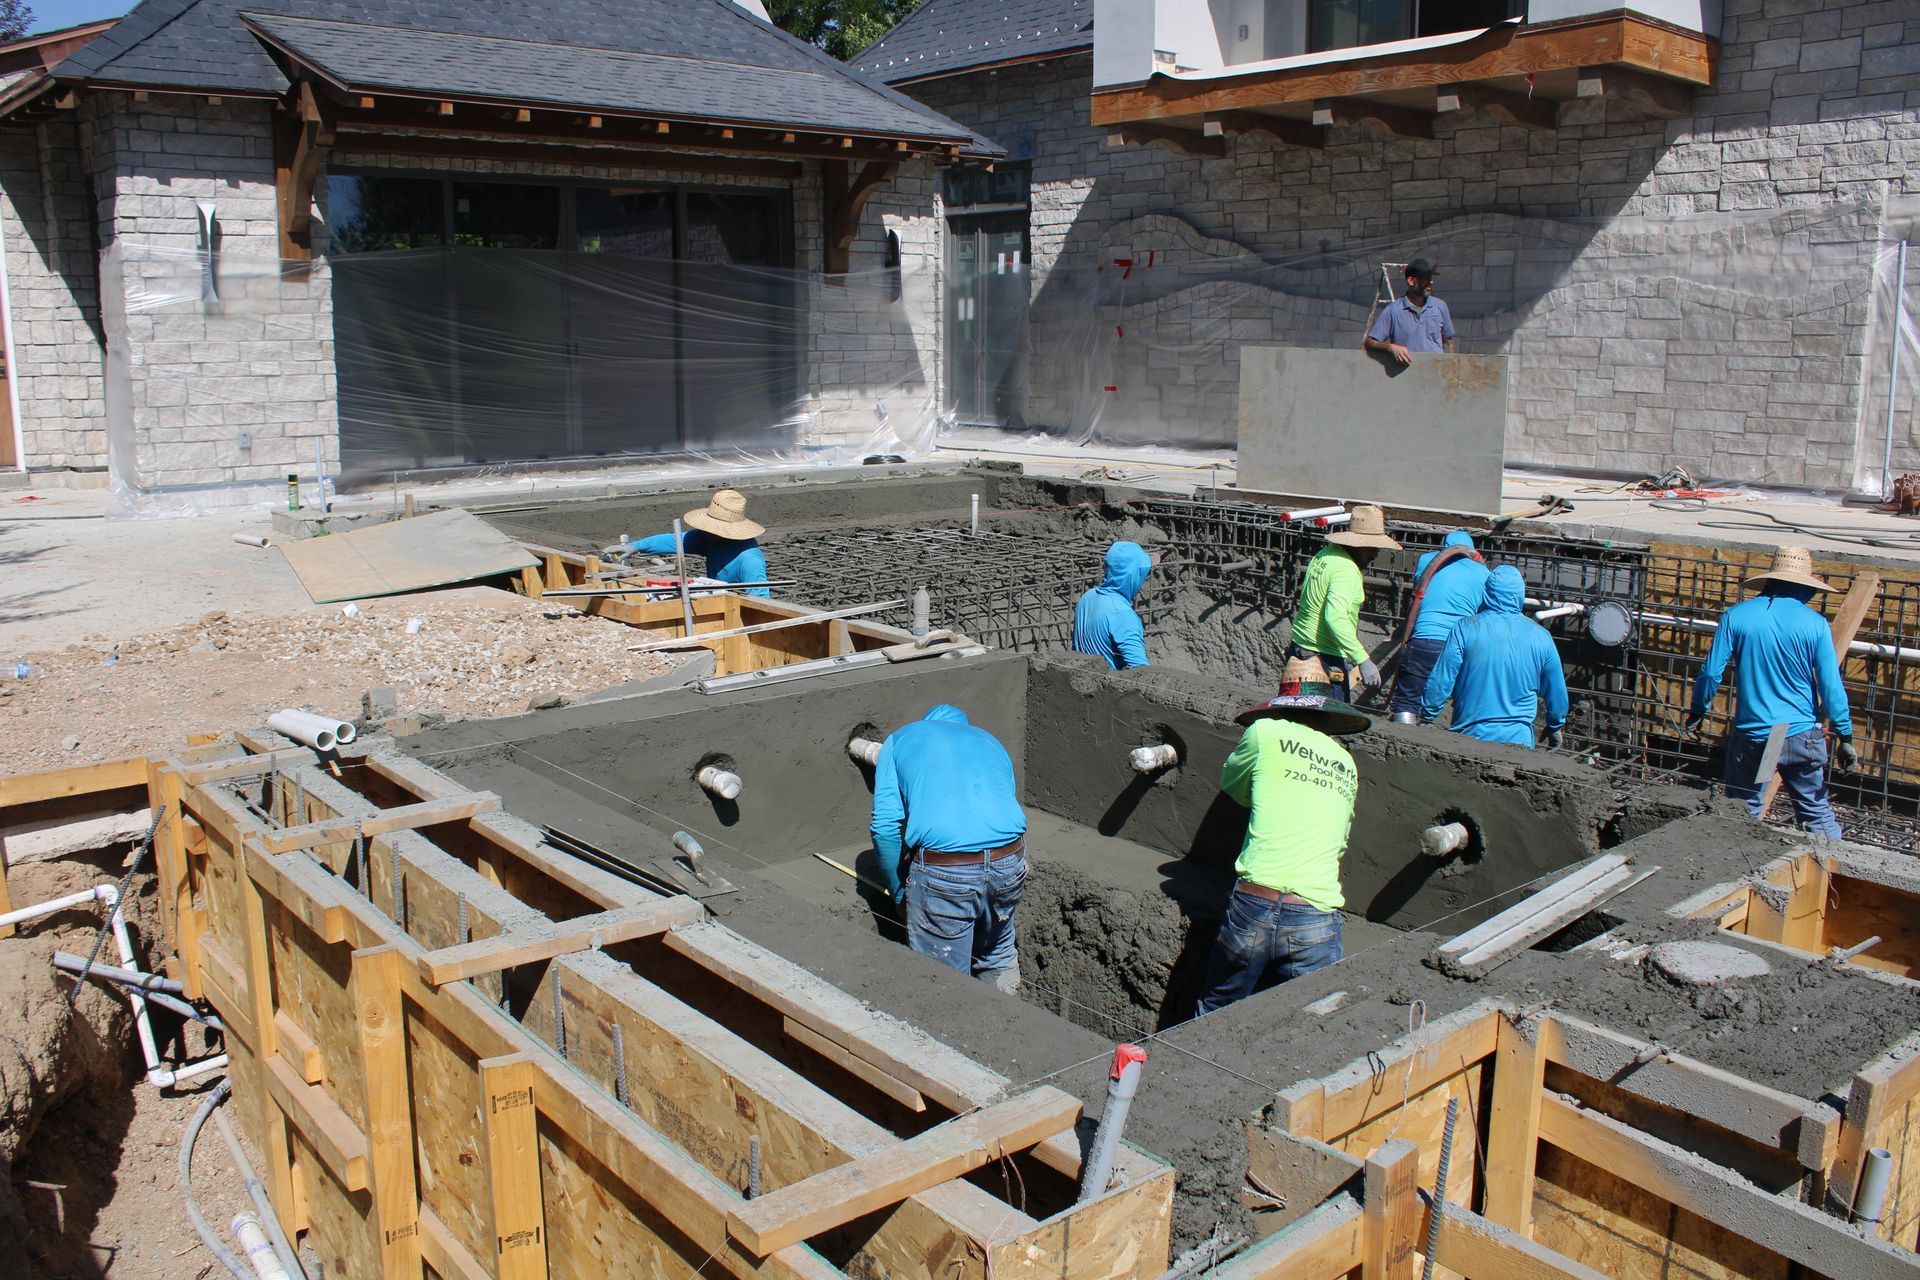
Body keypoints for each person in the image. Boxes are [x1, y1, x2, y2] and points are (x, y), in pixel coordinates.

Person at [1194, 655, 1367, 1016]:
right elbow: (1341, 841)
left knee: (1217, 1009)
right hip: (1315, 913)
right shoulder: (1346, 763)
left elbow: (1234, 787)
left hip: (1255, 903)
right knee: (1308, 1023)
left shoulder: (1264, 733)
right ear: (1325, 712)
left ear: (1283, 705)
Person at [1686, 547, 1856, 838]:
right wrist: (1845, 736)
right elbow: (1830, 686)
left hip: (1757, 740)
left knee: (1744, 810)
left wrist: (1698, 710)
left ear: (1770, 581)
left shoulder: (1736, 616)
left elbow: (1711, 673)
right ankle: (1830, 861)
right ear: (1804, 586)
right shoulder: (1815, 623)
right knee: (1816, 812)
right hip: (1801, 737)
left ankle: (1740, 861)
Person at [869, 705, 1029, 993]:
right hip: (1010, 862)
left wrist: (899, 891)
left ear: (927, 723)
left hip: (946, 872)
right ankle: (1009, 1016)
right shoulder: (990, 741)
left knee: (944, 982)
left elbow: (884, 828)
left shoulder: (899, 740)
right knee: (997, 954)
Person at [1420, 565, 1568, 749]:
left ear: (1487, 593)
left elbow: (1442, 678)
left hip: (1469, 737)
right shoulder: (1542, 637)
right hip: (1519, 741)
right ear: (1520, 595)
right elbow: (1556, 691)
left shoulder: (1465, 628)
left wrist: (1427, 716)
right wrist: (1555, 726)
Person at [1289, 505, 1401, 696]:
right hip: (1323, 657)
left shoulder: (1325, 555)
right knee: (1329, 713)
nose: (1374, 555)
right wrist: (1362, 660)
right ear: (1360, 545)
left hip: (1301, 647)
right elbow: (1335, 618)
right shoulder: (1346, 569)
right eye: (1372, 548)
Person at [1389, 530, 1490, 717]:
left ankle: (1403, 727)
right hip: (1459, 649)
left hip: (1423, 643)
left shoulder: (1427, 561)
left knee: (1407, 701)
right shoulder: (1484, 573)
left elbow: (1419, 590)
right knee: (1460, 701)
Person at [620, 488, 770, 597]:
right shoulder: (709, 538)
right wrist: (636, 546)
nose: (707, 530)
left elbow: (761, 601)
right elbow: (675, 540)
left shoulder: (749, 561)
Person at [1073, 541, 1153, 670]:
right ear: (1133, 575)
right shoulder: (1122, 614)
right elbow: (1141, 673)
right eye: (1143, 573)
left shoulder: (1087, 597)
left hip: (1081, 677)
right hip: (1106, 682)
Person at [1365, 258, 1455, 364]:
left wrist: (1452, 366)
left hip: (1436, 370)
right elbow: (1370, 343)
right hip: (1407, 372)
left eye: (1431, 278)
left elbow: (1448, 341)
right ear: (1411, 281)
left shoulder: (1440, 306)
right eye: (1426, 278)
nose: (1431, 282)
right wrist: (1390, 347)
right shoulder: (1393, 310)